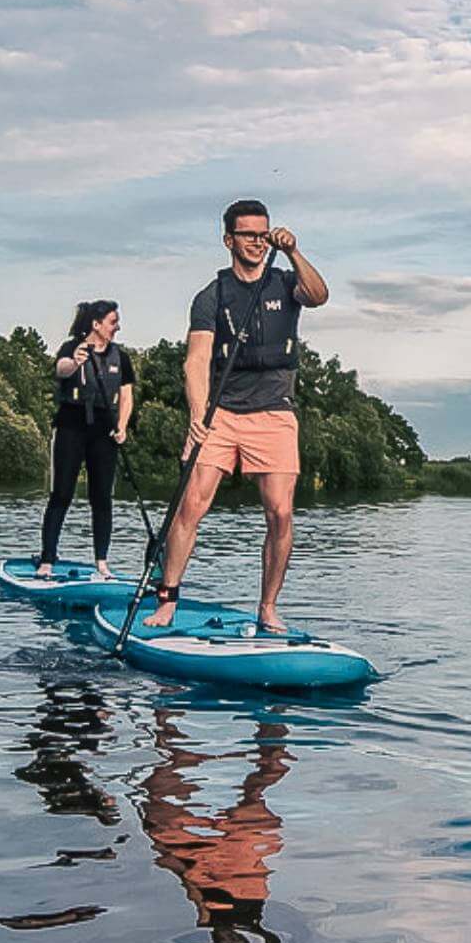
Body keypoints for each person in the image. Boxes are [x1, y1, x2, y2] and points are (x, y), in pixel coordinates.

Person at [148, 202, 328, 634]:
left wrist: (293, 252)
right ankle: (167, 598)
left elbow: (319, 296)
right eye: (247, 235)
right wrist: (197, 416)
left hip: (275, 413)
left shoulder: (286, 283)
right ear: (229, 240)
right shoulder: (212, 296)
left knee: (281, 513)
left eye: (262, 235)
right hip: (222, 414)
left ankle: (267, 607)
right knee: (192, 505)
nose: (256, 242)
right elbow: (196, 361)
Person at [39, 300, 135, 578]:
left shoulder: (121, 357)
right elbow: (61, 369)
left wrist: (122, 426)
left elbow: (127, 395)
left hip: (104, 429)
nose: (117, 327)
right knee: (62, 494)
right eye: (112, 322)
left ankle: (101, 562)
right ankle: (47, 559)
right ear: (96, 325)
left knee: (102, 497)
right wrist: (75, 362)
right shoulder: (72, 348)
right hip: (72, 424)